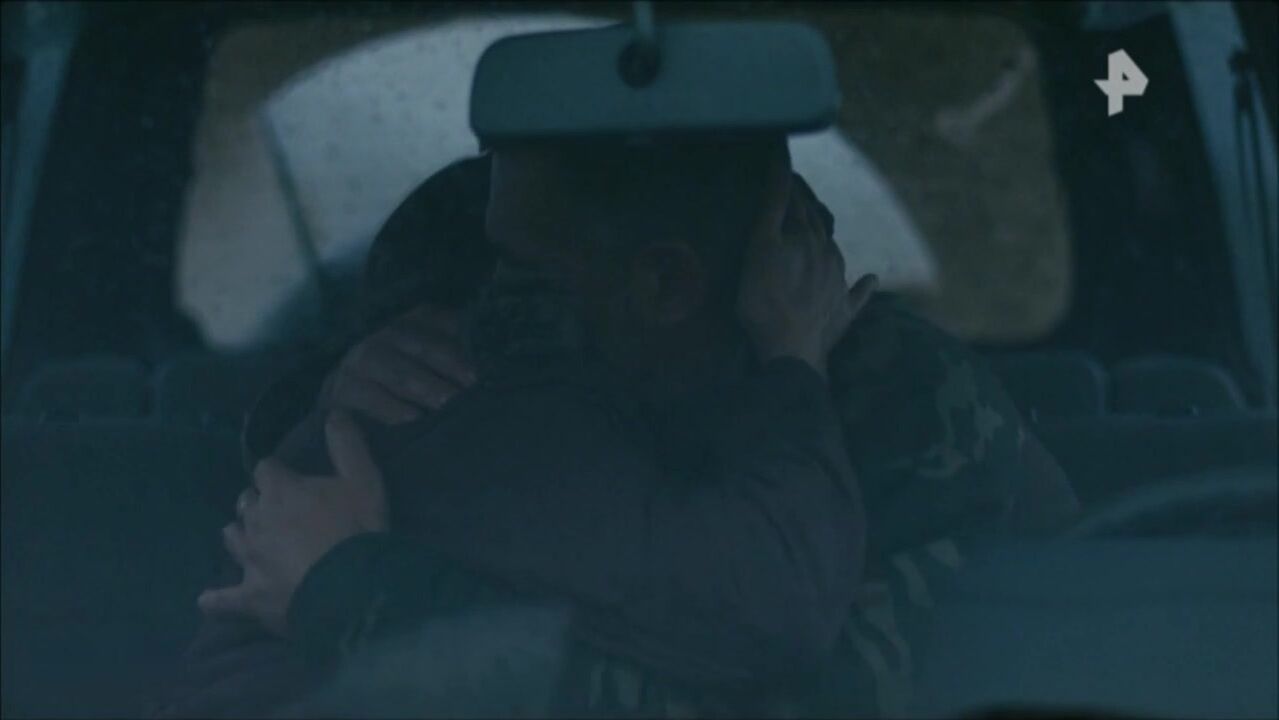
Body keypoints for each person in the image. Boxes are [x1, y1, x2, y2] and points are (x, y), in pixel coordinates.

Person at [156, 138, 888, 716]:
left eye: (513, 258)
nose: (493, 290)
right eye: (494, 259)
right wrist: (793, 360)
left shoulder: (605, 406)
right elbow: (777, 606)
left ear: (669, 283)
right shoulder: (477, 405)